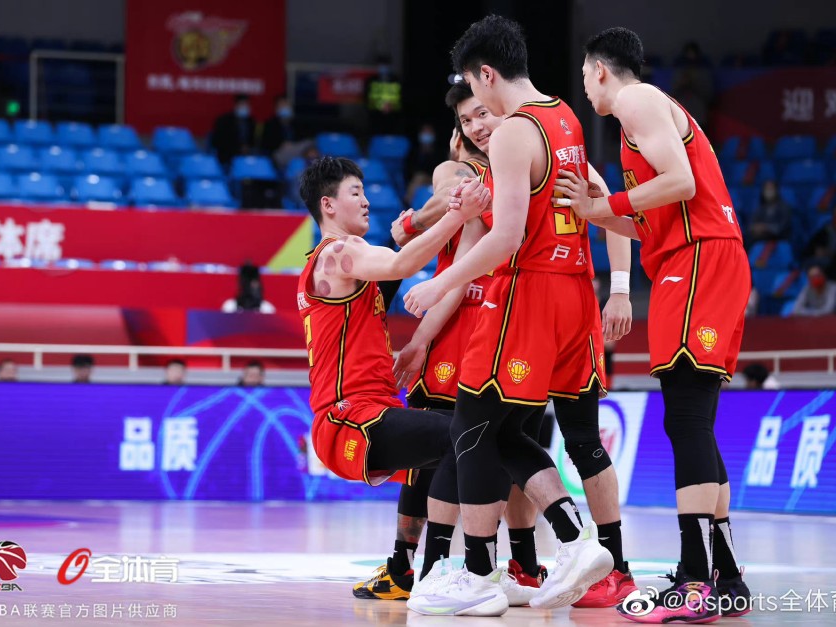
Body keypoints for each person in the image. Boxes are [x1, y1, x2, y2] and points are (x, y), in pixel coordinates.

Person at [396, 81, 638, 608]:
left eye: (481, 113)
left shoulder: (531, 142)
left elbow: (611, 213)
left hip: (530, 307)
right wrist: (420, 336)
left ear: (495, 89)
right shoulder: (536, 144)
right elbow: (461, 244)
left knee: (513, 432)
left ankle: (572, 563)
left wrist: (620, 288)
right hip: (544, 309)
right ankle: (541, 557)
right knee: (500, 433)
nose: (477, 126)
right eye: (466, 122)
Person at [571, 26, 752, 622]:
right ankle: (725, 575)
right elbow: (650, 221)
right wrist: (596, 212)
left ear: (600, 69)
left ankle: (695, 579)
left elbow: (682, 183)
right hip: (692, 257)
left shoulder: (637, 100)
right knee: (694, 419)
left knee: (686, 418)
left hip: (699, 259)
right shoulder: (640, 121)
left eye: (585, 74)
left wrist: (606, 205)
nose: (585, 86)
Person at [297, 156, 488, 603]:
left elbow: (394, 261)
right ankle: (440, 571)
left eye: (365, 191)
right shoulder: (337, 253)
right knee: (466, 438)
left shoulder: (350, 266)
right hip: (348, 417)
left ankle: (401, 570)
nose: (367, 201)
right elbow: (401, 264)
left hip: (371, 409)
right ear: (328, 205)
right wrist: (458, 215)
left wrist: (421, 227)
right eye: (355, 193)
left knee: (437, 450)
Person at [210, 94, 256, 166]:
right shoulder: (224, 121)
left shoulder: (251, 121)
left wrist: (248, 147)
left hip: (247, 155)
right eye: (242, 104)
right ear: (236, 105)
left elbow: (253, 141)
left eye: (246, 105)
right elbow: (217, 141)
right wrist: (238, 148)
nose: (244, 107)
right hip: (228, 155)